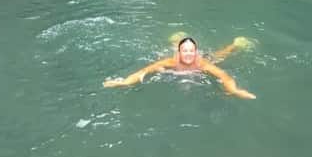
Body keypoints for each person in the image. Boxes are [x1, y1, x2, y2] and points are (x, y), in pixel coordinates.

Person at [103, 35, 256, 99]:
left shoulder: (202, 63)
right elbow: (144, 71)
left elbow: (224, 76)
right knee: (169, 58)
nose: (188, 54)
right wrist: (125, 82)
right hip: (176, 62)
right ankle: (177, 39)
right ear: (180, 53)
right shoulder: (172, 62)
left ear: (195, 52)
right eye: (185, 51)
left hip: (204, 62)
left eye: (191, 51)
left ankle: (235, 44)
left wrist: (234, 90)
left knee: (219, 57)